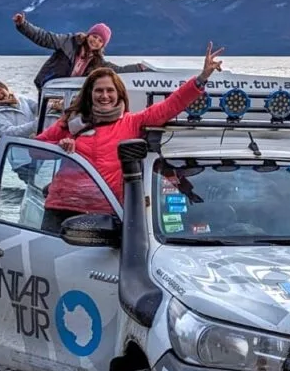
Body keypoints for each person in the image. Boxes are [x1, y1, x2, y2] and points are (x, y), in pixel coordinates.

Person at [35, 42, 224, 233]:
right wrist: (60, 147)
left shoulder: (131, 123)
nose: (104, 95)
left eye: (110, 91)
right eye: (99, 90)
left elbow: (168, 107)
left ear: (119, 95)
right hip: (61, 207)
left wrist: (201, 79)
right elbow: (34, 150)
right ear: (89, 94)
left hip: (105, 210)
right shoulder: (71, 121)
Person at [12, 13, 147, 91]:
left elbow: (118, 70)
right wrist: (23, 25)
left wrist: (139, 68)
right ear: (89, 34)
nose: (95, 41)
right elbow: (44, 38)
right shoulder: (68, 42)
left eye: (100, 40)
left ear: (102, 45)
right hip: (49, 86)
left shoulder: (98, 62)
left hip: (71, 94)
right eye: (95, 36)